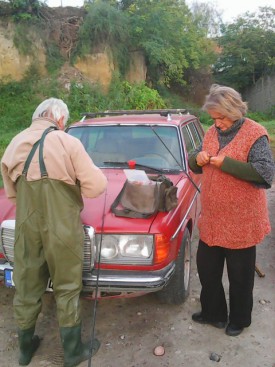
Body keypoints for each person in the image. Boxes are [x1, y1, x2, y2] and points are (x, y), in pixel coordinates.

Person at [1, 98, 107, 366]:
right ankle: (72, 352)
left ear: (38, 116)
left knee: (26, 284)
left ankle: (25, 350)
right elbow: (96, 187)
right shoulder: (66, 142)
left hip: (27, 223)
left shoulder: (16, 142)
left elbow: (11, 194)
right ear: (60, 120)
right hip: (62, 226)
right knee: (68, 286)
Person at [188, 84, 275, 337]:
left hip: (242, 222)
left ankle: (239, 319)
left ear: (235, 110)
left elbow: (265, 175)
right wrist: (198, 158)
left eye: (221, 118)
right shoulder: (211, 132)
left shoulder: (255, 133)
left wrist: (226, 164)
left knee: (240, 277)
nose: (217, 124)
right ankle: (213, 313)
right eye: (213, 118)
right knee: (207, 270)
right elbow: (194, 160)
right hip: (213, 220)